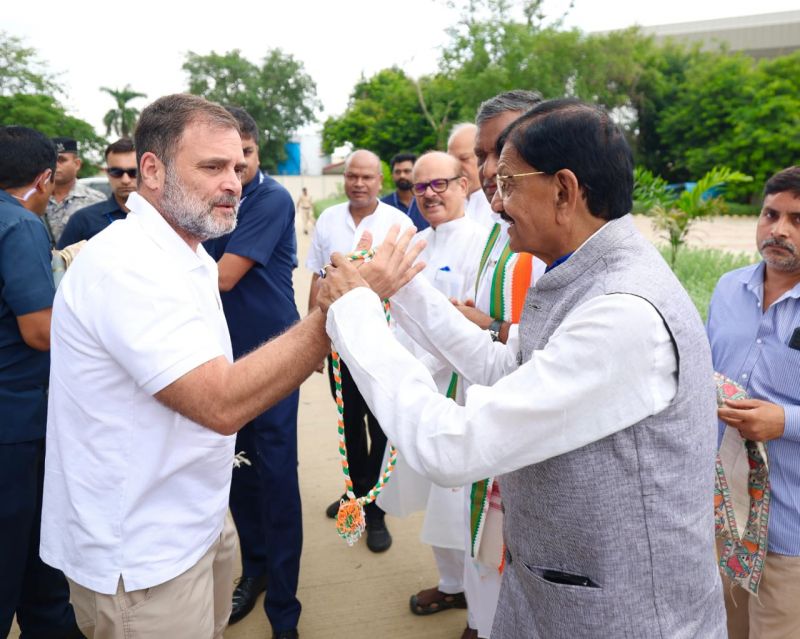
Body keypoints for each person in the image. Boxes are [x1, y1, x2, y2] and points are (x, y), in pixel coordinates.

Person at [318, 98, 726, 638]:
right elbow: (502, 365)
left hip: (620, 617)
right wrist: (405, 288)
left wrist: (358, 317)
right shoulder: (579, 273)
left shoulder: (625, 313)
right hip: (554, 596)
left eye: (507, 181)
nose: (494, 195)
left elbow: (453, 446)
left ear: (564, 190)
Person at [40, 94, 332, 639]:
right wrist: (328, 318)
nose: (234, 183)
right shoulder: (130, 264)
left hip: (194, 522)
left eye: (238, 168)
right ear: (151, 170)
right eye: (212, 167)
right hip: (143, 555)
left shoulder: (190, 253)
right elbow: (219, 402)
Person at [202, 106, 303, 638]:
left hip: (273, 360)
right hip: (221, 359)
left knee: (277, 478)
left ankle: (284, 608)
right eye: (221, 162)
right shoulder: (208, 200)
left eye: (243, 158)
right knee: (236, 471)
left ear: (255, 151)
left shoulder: (270, 199)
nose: (233, 173)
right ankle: (256, 569)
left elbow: (222, 277)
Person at [452, 89, 545, 639]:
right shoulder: (495, 230)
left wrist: (484, 326)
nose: (489, 171)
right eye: (481, 156)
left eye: (501, 151)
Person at [380, 151, 488, 622]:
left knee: (463, 503)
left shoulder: (486, 245)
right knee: (429, 493)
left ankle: (479, 614)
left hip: (461, 392)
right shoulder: (413, 243)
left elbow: (471, 324)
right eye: (421, 188)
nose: (429, 195)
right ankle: (451, 584)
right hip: (416, 387)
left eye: (439, 184)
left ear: (464, 184)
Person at [707, 165, 800, 639]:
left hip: (790, 532)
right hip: (722, 519)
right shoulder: (727, 290)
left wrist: (785, 419)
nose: (779, 230)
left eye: (797, 220)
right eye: (771, 214)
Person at [307, 149, 413, 553]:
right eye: (352, 176)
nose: (358, 183)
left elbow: (408, 289)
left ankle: (377, 509)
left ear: (379, 182)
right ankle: (355, 495)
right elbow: (318, 282)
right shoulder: (329, 219)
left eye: (367, 177)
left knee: (380, 425)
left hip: (384, 348)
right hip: (340, 349)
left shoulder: (398, 223)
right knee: (349, 423)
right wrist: (314, 341)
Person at [0, 126, 81, 638]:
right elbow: (39, 332)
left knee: (37, 559)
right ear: (45, 178)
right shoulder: (20, 226)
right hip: (16, 422)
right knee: (15, 554)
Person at [57, 138, 137, 248]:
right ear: (107, 173)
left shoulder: (163, 216)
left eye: (134, 172)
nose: (125, 180)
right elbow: (61, 263)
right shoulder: (83, 220)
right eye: (116, 172)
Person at [44, 137, 105, 244]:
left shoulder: (96, 200)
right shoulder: (37, 198)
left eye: (62, 160)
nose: (55, 165)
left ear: (77, 164)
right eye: (51, 160)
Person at [447, 124, 494, 230]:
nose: (456, 167)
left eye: (464, 159)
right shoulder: (446, 205)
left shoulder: (500, 206)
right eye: (451, 160)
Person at [381, 152, 429, 231]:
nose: (402, 175)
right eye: (397, 172)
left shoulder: (426, 201)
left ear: (416, 173)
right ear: (392, 175)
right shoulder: (383, 205)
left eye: (407, 171)